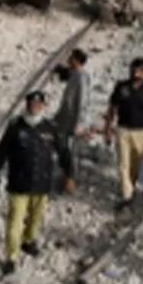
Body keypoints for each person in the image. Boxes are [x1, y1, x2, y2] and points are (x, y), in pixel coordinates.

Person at [0, 91, 61, 275]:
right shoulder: (15, 127)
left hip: (41, 184)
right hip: (19, 184)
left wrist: (69, 174)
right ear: (27, 105)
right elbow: (1, 152)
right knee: (15, 222)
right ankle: (11, 257)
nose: (35, 107)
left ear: (44, 106)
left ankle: (29, 240)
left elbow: (63, 151)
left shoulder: (50, 128)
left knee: (36, 218)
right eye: (32, 104)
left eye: (39, 105)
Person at [103, 58, 143, 209]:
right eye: (135, 70)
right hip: (123, 130)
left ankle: (132, 187)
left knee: (136, 165)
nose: (137, 73)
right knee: (123, 164)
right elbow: (112, 109)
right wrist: (108, 130)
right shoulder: (121, 87)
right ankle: (127, 196)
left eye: (141, 71)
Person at [52, 48, 91, 193]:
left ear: (76, 60)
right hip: (64, 120)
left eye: (71, 58)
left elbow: (82, 102)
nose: (68, 60)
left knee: (71, 151)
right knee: (61, 146)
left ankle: (70, 181)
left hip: (73, 122)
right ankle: (66, 175)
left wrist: (79, 124)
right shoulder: (74, 74)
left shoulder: (81, 78)